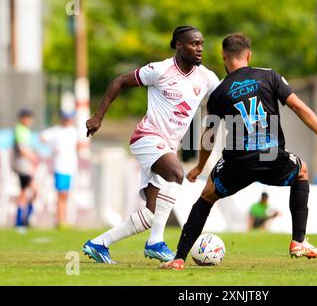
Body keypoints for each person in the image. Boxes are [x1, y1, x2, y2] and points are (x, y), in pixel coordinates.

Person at [161, 33, 317, 270]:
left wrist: (199, 167)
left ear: (223, 56)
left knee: (206, 197)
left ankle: (178, 258)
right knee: (301, 172)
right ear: (249, 54)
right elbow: (299, 107)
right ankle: (298, 242)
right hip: (271, 156)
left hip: (237, 163)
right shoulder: (269, 76)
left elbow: (209, 136)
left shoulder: (219, 92)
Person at [82, 26, 220, 264]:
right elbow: (119, 82)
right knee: (177, 173)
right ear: (178, 45)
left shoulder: (206, 77)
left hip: (167, 147)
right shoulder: (160, 69)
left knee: (151, 213)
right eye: (194, 44)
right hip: (147, 137)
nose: (199, 49)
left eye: (201, 44)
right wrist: (98, 116)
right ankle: (155, 243)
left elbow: (226, 95)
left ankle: (98, 244)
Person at [40, 111, 79, 229]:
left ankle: (63, 218)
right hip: (60, 166)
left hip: (70, 167)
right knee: (61, 193)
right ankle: (59, 219)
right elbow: (42, 137)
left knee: (65, 194)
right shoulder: (56, 131)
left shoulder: (74, 131)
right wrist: (52, 147)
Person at [12, 108, 39, 231]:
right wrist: (33, 157)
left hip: (27, 166)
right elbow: (22, 150)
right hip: (22, 166)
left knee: (31, 191)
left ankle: (24, 220)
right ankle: (20, 222)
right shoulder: (20, 130)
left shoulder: (26, 131)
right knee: (26, 192)